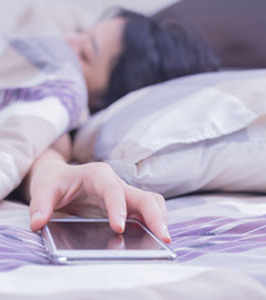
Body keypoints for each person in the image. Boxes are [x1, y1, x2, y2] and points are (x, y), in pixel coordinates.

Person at [24, 8, 220, 244]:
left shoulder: (59, 120)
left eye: (85, 54)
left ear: (105, 101)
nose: (66, 42)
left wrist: (51, 171)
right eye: (81, 33)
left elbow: (45, 147)